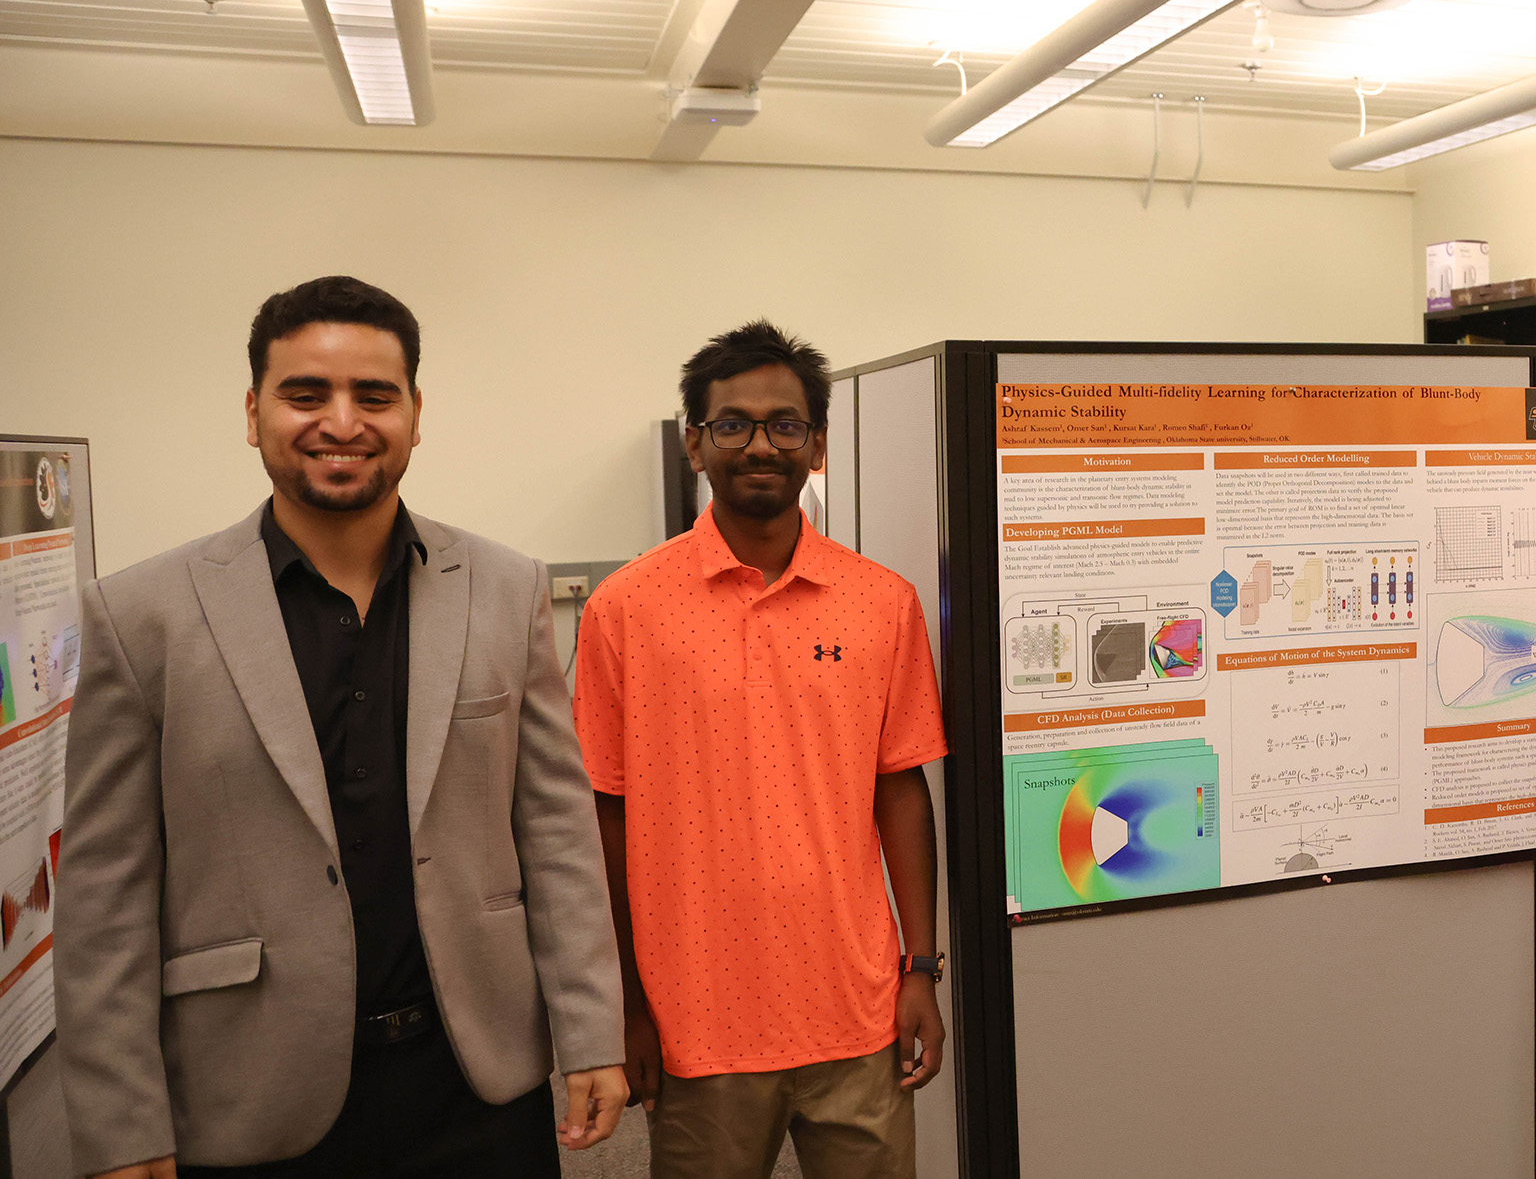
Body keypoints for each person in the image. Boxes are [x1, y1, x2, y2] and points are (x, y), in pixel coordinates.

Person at [56, 276, 629, 1178]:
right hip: (251, 1091)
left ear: (413, 412)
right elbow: (104, 898)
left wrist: (593, 1029)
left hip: (474, 1078)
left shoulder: (506, 588)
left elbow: (555, 834)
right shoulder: (143, 616)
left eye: (374, 395)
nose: (342, 422)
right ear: (253, 414)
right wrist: (122, 1123)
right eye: (304, 394)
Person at [573, 321, 948, 1179]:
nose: (760, 445)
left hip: (858, 1012)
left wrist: (920, 968)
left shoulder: (881, 603)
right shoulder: (624, 611)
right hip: (698, 1018)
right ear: (694, 443)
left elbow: (901, 789)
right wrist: (624, 1005)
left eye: (785, 425)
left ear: (817, 444)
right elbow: (604, 813)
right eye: (732, 424)